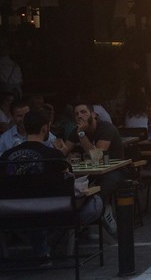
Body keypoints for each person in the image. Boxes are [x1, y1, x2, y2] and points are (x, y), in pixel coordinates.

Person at [0, 109, 103, 258]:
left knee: (33, 207)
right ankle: (54, 241)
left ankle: (42, 247)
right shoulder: (55, 157)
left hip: (12, 216)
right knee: (95, 201)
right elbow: (68, 185)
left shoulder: (5, 157)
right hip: (55, 216)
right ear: (45, 128)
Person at [66, 101, 124, 236]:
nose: (80, 116)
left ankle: (102, 211)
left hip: (115, 170)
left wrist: (81, 135)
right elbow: (63, 151)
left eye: (83, 112)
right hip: (91, 172)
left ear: (94, 115)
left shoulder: (106, 129)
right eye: (76, 114)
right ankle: (83, 220)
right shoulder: (77, 131)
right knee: (73, 187)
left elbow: (97, 157)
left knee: (98, 190)